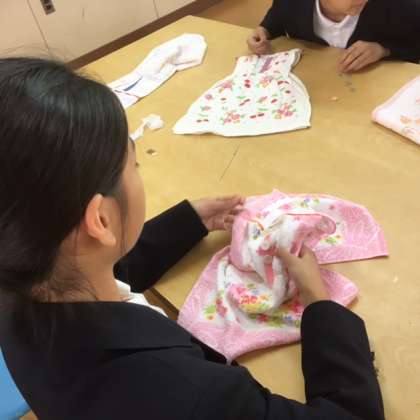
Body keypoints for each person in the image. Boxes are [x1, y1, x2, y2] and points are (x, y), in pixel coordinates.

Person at [0, 57, 385, 419]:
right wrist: (320, 304)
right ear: (100, 219)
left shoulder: (17, 282)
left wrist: (189, 221)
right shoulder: (189, 394)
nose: (137, 172)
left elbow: (96, 265)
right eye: (134, 164)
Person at [248, 0, 420, 73]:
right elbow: (278, 16)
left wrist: (384, 50)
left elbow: (415, 45)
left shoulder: (400, 6)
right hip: (316, 86)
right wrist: (264, 31)